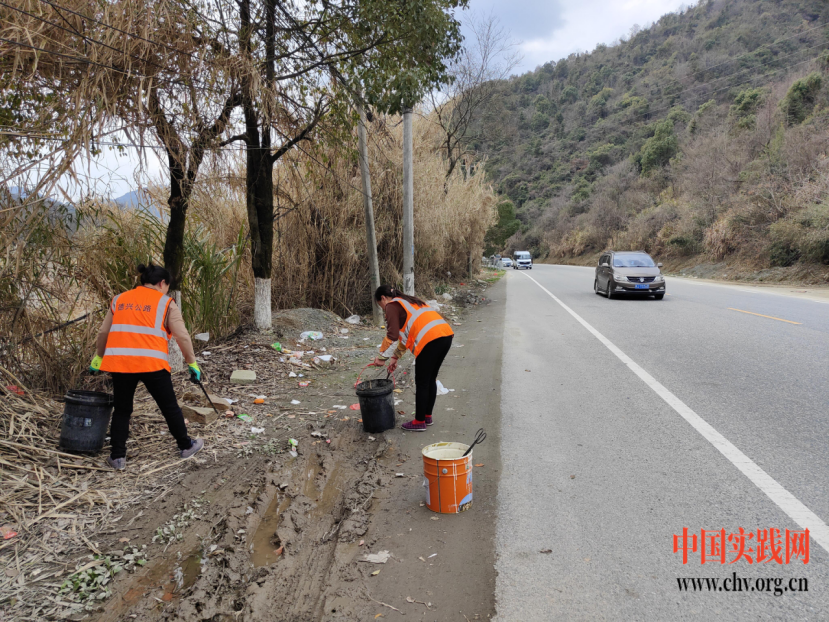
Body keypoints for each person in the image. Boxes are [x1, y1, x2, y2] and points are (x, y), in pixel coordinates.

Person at [89, 263, 205, 470]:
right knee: (169, 408)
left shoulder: (119, 299)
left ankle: (117, 457)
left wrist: (99, 357)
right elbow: (182, 336)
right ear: (162, 283)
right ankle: (186, 446)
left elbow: (103, 333)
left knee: (122, 410)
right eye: (167, 286)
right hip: (152, 364)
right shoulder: (166, 303)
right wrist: (192, 363)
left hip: (120, 364)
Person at [372, 285, 454, 431]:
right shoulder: (410, 302)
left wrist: (381, 357)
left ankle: (419, 422)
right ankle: (427, 416)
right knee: (430, 379)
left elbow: (392, 336)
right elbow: (405, 336)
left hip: (430, 340)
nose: (383, 309)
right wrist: (395, 357)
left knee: (422, 382)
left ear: (383, 298)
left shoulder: (392, 305)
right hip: (445, 335)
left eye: (380, 305)